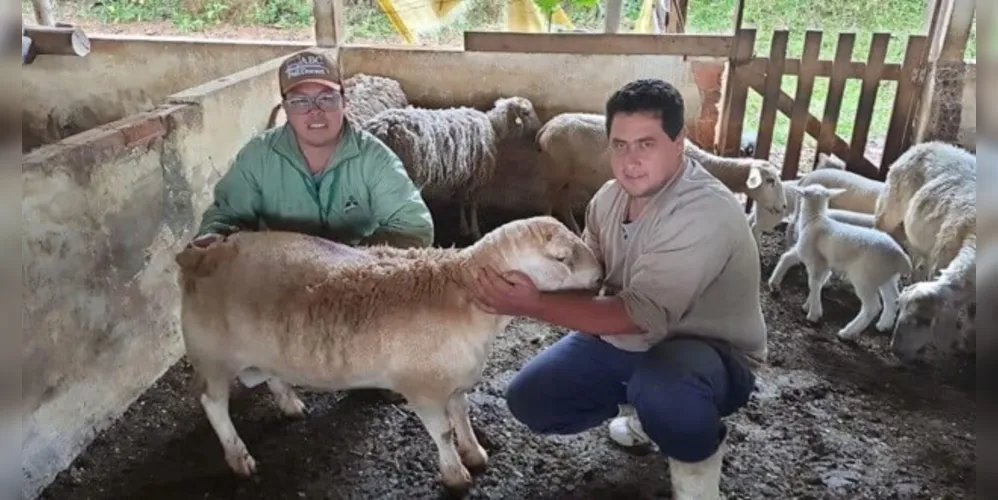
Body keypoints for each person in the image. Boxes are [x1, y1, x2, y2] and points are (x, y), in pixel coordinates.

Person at [470, 79, 767, 499]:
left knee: (666, 389)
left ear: (679, 142)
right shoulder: (608, 200)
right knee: (531, 399)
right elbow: (587, 282)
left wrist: (532, 304)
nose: (630, 161)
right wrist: (522, 280)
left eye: (647, 144)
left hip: (709, 353)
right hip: (629, 343)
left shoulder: (703, 211)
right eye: (620, 145)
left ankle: (698, 476)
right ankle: (643, 410)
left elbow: (636, 313)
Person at [191, 50, 434, 250]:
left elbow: (414, 228)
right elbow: (226, 214)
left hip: (356, 281)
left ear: (343, 100)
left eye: (326, 98)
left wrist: (352, 258)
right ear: (285, 107)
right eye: (300, 101)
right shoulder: (258, 156)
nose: (315, 111)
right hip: (282, 279)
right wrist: (214, 237)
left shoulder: (374, 158)